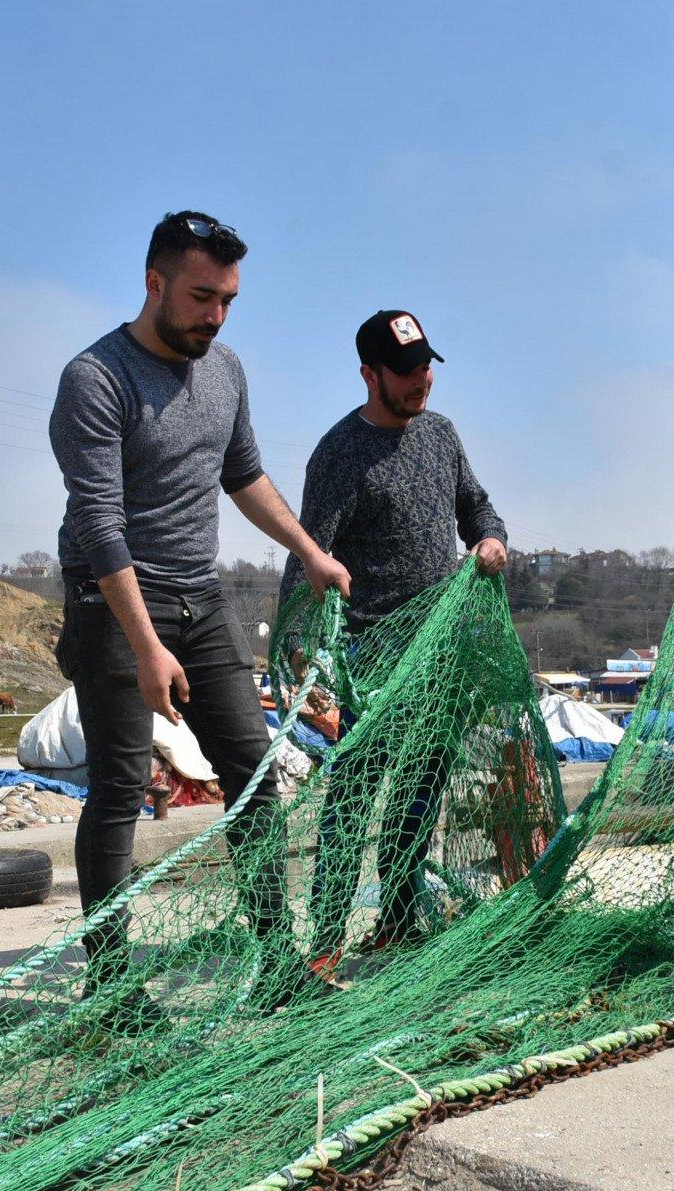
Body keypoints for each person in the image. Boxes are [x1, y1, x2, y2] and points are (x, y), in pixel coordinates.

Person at [49, 210, 351, 1020]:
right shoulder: (96, 379)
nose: (215, 316)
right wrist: (146, 646)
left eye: (228, 301)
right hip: (113, 600)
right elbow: (99, 526)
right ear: (154, 283)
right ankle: (113, 987)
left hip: (202, 596)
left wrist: (309, 550)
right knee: (120, 786)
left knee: (254, 771)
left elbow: (243, 473)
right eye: (200, 297)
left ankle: (278, 962)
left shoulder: (226, 370)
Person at [278, 309, 507, 977]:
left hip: (439, 649)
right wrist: (298, 648)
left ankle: (398, 921)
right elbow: (307, 551)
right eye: (406, 371)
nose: (421, 381)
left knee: (421, 793)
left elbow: (477, 505)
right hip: (370, 656)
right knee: (353, 795)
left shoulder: (441, 434)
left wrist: (491, 538)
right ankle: (326, 940)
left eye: (426, 367)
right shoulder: (340, 453)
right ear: (369, 374)